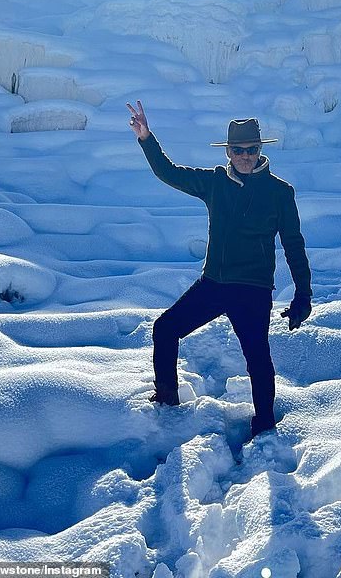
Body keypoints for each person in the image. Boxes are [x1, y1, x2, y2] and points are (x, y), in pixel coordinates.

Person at [127, 99, 312, 438]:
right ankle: (167, 403)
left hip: (253, 290)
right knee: (165, 330)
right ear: (228, 152)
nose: (245, 156)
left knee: (257, 357)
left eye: (251, 149)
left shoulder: (280, 193)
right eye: (239, 150)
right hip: (214, 284)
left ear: (260, 150)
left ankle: (265, 425)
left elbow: (294, 246)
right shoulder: (214, 183)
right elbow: (168, 172)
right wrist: (146, 138)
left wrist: (303, 295)